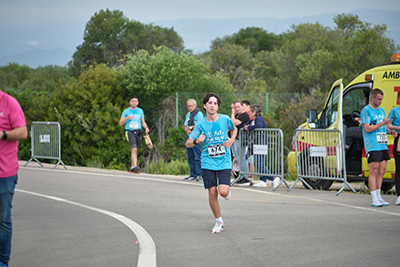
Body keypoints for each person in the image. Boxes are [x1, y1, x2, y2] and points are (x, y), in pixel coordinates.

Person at [186, 93, 237, 234]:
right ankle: (219, 221)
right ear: (204, 105)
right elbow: (188, 143)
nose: (212, 105)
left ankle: (226, 190)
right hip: (208, 161)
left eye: (215, 103)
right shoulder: (200, 125)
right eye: (210, 103)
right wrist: (197, 140)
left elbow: (234, 129)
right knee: (212, 192)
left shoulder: (225, 119)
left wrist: (232, 140)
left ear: (218, 106)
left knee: (223, 192)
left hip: (224, 161)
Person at [0, 89, 28, 267]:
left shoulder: (8, 102)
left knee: (2, 219)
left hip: (4, 173)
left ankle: (2, 262)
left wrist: (3, 134)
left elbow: (23, 132)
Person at [360, 88, 397, 207]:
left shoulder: (381, 110)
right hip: (373, 144)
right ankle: (373, 198)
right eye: (379, 99)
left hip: (383, 144)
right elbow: (367, 128)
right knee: (374, 170)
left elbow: (383, 127)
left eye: (382, 99)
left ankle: (379, 196)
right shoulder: (366, 111)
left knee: (382, 170)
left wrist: (390, 132)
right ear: (373, 98)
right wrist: (382, 123)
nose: (381, 101)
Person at [243, 105, 280, 188]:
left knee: (260, 164)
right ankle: (263, 180)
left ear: (254, 112)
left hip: (261, 143)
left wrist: (249, 127)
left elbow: (258, 126)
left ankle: (273, 178)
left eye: (250, 112)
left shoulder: (259, 118)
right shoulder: (253, 120)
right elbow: (245, 125)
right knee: (259, 162)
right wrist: (246, 127)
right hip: (256, 143)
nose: (249, 113)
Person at [119, 95, 150, 173]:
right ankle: (135, 166)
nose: (134, 102)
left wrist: (146, 127)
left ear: (138, 102)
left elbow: (142, 121)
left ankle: (132, 168)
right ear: (130, 102)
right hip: (129, 132)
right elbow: (120, 123)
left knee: (135, 150)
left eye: (135, 101)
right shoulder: (126, 111)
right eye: (132, 101)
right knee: (134, 148)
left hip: (138, 131)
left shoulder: (140, 111)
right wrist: (127, 118)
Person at [183, 99, 204, 181]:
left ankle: (200, 174)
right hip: (190, 137)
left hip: (196, 138)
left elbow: (199, 125)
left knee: (197, 156)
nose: (190, 107)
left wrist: (191, 127)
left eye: (191, 106)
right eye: (188, 106)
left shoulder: (198, 114)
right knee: (190, 156)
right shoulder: (188, 114)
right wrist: (187, 129)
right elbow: (186, 125)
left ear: (195, 105)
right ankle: (193, 174)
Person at [230, 101, 250, 185]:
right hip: (235, 139)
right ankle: (241, 176)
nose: (237, 109)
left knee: (241, 158)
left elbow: (233, 123)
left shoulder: (244, 116)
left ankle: (245, 177)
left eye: (238, 107)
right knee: (238, 159)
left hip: (241, 139)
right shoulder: (236, 116)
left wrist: (232, 112)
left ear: (242, 107)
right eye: (235, 107)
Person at [387, 95, 400, 205]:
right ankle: (399, 195)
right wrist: (398, 128)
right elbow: (387, 125)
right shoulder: (394, 110)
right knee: (399, 168)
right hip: (399, 140)